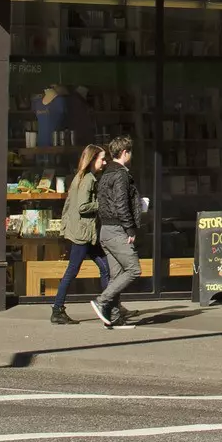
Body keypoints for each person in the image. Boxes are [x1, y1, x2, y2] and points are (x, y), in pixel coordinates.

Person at [50, 144, 110, 325]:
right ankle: (57, 309)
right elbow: (83, 207)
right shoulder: (88, 179)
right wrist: (102, 203)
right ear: (93, 160)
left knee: (105, 267)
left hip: (83, 232)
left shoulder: (81, 177)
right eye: (102, 159)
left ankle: (109, 305)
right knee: (72, 271)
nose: (105, 162)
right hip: (82, 234)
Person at [92, 134, 142, 328]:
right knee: (133, 269)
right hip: (116, 229)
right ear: (124, 152)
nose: (131, 155)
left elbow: (109, 202)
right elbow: (121, 203)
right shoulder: (120, 173)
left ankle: (113, 317)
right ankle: (102, 301)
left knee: (116, 275)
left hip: (105, 229)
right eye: (130, 152)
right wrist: (130, 229)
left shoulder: (105, 173)